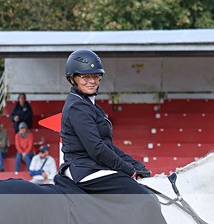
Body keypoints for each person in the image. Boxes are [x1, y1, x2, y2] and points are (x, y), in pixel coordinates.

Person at [59, 48, 152, 191]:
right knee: (133, 189)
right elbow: (96, 149)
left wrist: (136, 165)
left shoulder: (90, 106)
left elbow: (107, 146)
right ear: (73, 79)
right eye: (85, 77)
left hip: (92, 166)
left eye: (95, 76)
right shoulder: (77, 107)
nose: (92, 81)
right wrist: (129, 170)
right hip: (82, 169)